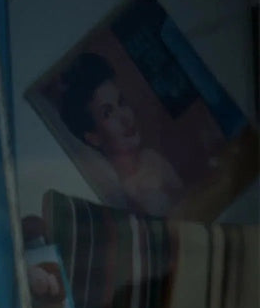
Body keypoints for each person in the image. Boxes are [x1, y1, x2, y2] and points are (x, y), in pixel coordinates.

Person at [57, 51, 184, 216]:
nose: (125, 117)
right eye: (108, 113)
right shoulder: (114, 196)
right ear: (93, 137)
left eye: (121, 102)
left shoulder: (152, 159)